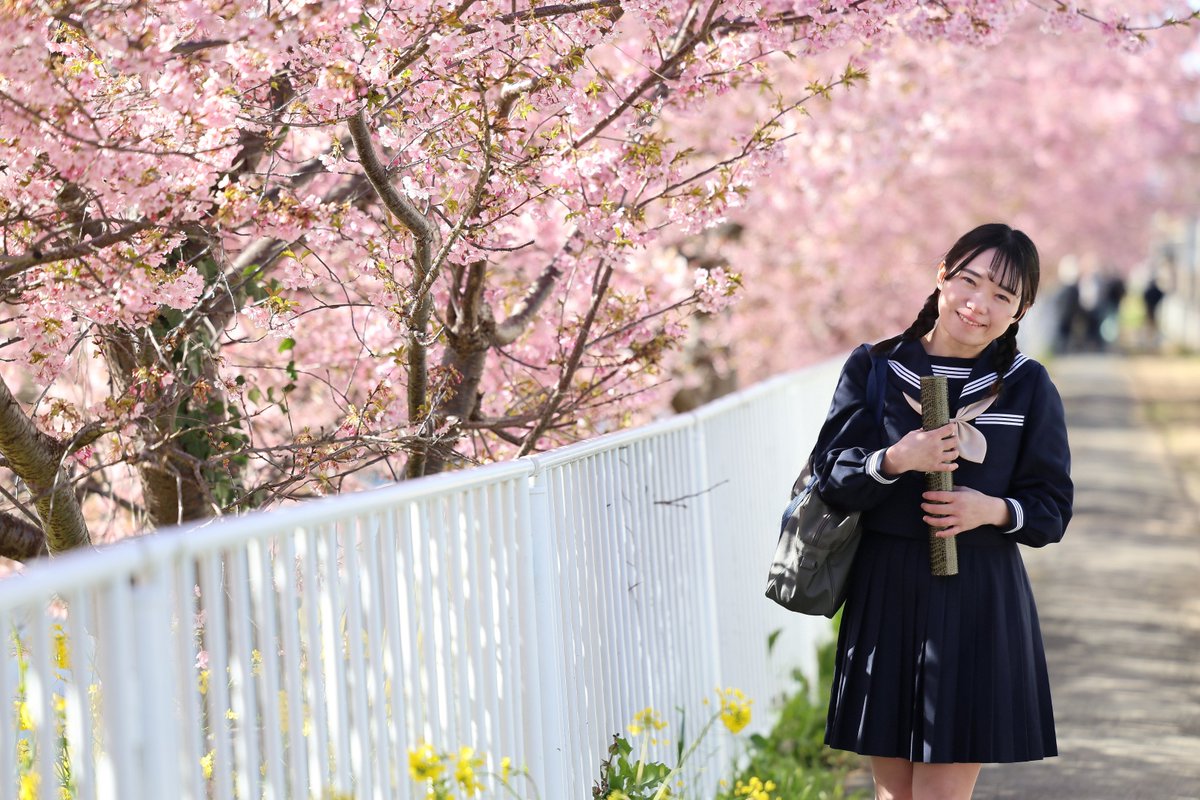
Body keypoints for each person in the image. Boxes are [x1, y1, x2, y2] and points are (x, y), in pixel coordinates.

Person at [809, 223, 1074, 800]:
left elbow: (1052, 507)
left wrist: (992, 510)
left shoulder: (1028, 386)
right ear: (942, 277)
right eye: (969, 281)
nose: (978, 305)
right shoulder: (875, 368)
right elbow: (830, 476)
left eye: (1002, 296)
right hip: (887, 592)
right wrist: (895, 458)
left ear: (1021, 309)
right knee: (894, 795)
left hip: (979, 598)